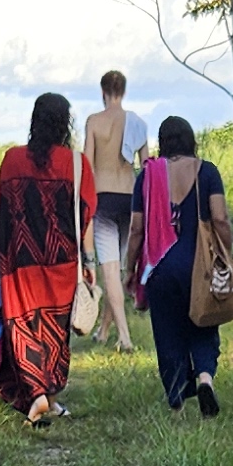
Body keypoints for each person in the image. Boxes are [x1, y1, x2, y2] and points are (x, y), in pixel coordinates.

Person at [0, 92, 97, 425]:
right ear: (66, 124)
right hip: (61, 262)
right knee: (55, 332)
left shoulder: (12, 160)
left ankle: (37, 396)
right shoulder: (75, 163)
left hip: (19, 263)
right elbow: (85, 216)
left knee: (22, 326)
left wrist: (1, 247)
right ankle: (46, 395)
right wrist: (89, 263)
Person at [123, 113, 233, 420]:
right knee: (203, 323)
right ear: (190, 140)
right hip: (199, 265)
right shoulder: (207, 171)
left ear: (163, 142)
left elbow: (136, 229)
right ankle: (205, 379)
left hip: (160, 268)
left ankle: (177, 401)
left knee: (168, 331)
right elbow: (220, 218)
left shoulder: (147, 176)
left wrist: (130, 269)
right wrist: (226, 254)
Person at [82, 66, 148, 353]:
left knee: (109, 270)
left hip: (104, 200)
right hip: (130, 199)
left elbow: (87, 165)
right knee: (118, 268)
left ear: (103, 92)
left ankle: (125, 337)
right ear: (123, 91)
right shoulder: (137, 123)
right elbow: (146, 166)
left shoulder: (94, 122)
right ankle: (104, 330)